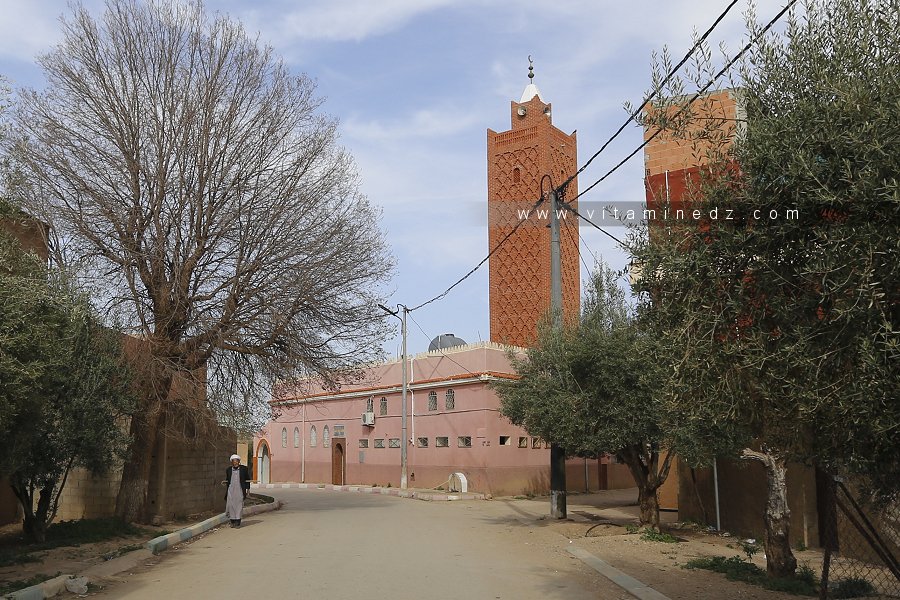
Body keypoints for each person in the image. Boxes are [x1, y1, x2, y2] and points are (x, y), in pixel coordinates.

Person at [224, 454, 251, 527]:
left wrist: (248, 489)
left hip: (240, 490)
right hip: (231, 490)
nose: (235, 463)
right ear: (231, 462)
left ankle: (238, 521)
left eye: (237, 461)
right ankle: (232, 521)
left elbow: (247, 479)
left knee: (239, 505)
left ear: (239, 462)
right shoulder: (228, 470)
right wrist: (225, 482)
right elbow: (228, 480)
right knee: (231, 505)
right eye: (234, 461)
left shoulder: (244, 469)